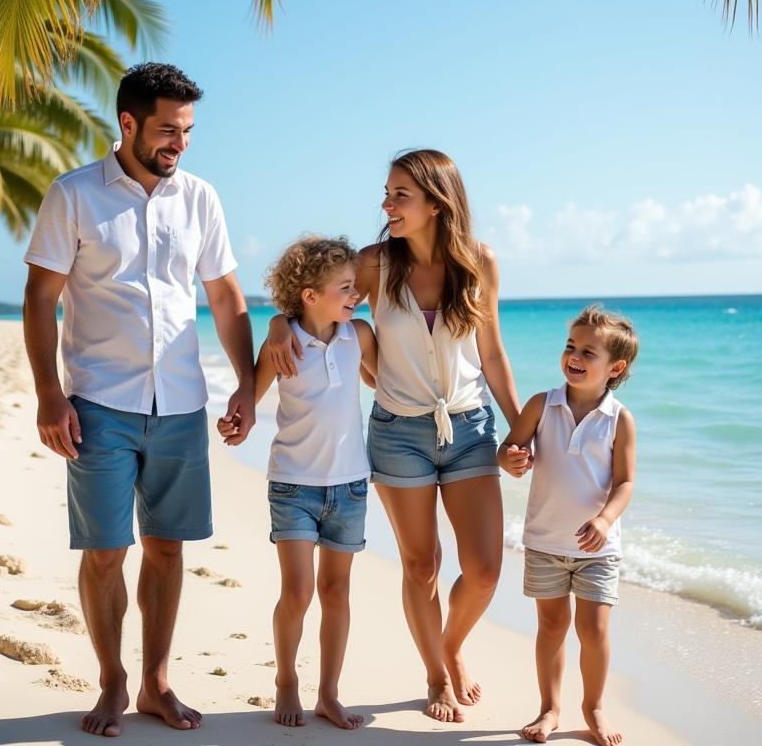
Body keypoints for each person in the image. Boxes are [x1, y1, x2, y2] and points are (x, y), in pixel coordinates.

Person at [22, 63, 255, 737]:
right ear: (127, 124)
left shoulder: (202, 199)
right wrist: (48, 394)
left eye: (186, 131)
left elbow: (225, 297)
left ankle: (154, 681)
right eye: (166, 130)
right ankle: (111, 681)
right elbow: (41, 299)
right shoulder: (74, 196)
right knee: (103, 551)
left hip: (181, 402)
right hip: (98, 403)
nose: (178, 143)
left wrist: (244, 381)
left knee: (168, 548)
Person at [265, 149, 525, 723]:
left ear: (436, 203)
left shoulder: (479, 261)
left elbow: (493, 351)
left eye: (399, 194)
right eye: (387, 192)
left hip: (471, 425)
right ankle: (436, 672)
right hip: (397, 432)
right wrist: (279, 324)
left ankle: (450, 646)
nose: (386, 205)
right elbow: (308, 298)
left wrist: (516, 426)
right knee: (421, 564)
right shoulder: (374, 264)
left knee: (483, 569)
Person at [220, 236, 377, 731]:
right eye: (346, 287)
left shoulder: (360, 335)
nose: (357, 295)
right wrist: (235, 422)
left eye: (356, 287)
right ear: (310, 295)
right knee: (298, 592)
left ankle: (329, 692)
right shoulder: (282, 343)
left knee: (337, 592)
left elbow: (383, 381)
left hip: (350, 485)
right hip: (294, 485)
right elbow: (250, 395)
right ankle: (286, 680)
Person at [500, 305, 638, 746]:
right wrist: (513, 460)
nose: (574, 356)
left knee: (594, 631)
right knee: (552, 627)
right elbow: (509, 450)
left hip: (598, 548)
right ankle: (549, 708)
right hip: (544, 541)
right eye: (570, 346)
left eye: (588, 352)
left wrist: (605, 517)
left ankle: (593, 707)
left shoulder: (620, 419)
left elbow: (626, 482)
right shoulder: (542, 404)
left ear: (614, 368)